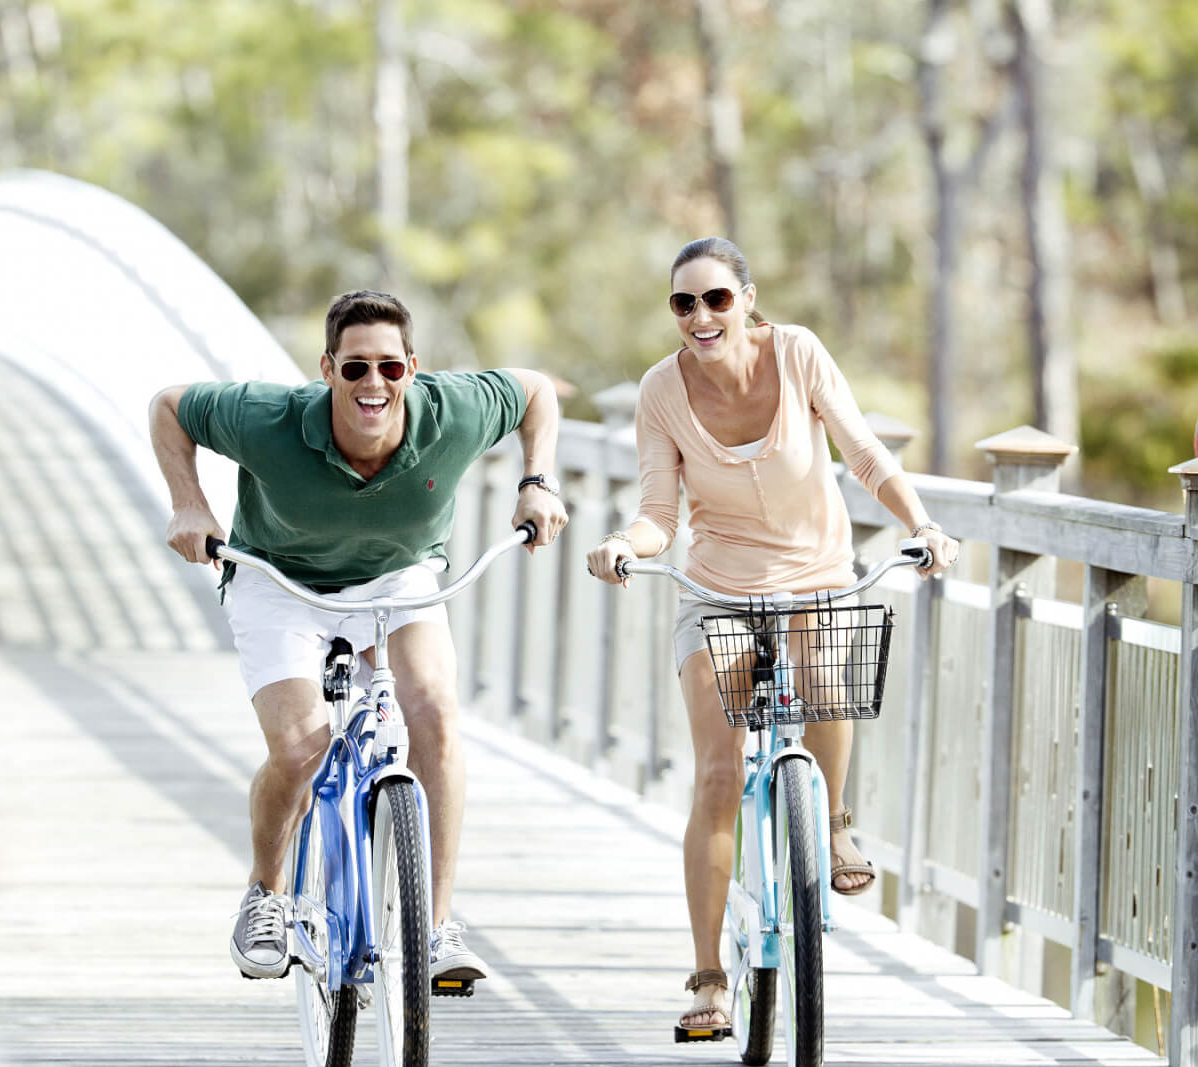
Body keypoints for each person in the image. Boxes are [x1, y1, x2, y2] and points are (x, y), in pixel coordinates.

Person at [584, 238, 958, 1035]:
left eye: (717, 298)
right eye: (684, 303)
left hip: (817, 573)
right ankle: (711, 976)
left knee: (827, 678)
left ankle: (832, 821)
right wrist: (625, 543)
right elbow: (659, 511)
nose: (701, 316)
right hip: (716, 588)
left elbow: (863, 452)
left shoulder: (798, 353)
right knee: (717, 775)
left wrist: (922, 524)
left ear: (748, 298)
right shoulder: (661, 390)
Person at [151, 289, 568, 986]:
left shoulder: (456, 409)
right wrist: (189, 502)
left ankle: (436, 928)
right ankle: (267, 893)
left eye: (390, 368)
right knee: (299, 745)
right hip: (280, 580)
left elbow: (534, 393)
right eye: (354, 369)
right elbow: (170, 405)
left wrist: (537, 480)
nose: (373, 385)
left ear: (413, 367)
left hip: (397, 579)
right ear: (326, 368)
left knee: (433, 709)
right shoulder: (267, 418)